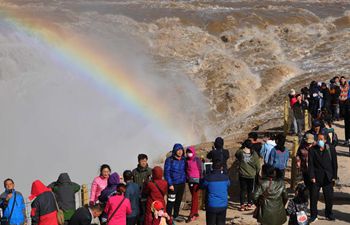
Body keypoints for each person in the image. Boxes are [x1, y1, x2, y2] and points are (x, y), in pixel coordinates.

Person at [308, 133, 338, 222]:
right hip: (316, 178)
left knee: (329, 197)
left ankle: (329, 214)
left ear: (325, 140)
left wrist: (334, 176)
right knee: (313, 197)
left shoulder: (331, 149)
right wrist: (312, 176)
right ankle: (313, 215)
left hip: (327, 177)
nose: (319, 141)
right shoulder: (312, 150)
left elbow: (334, 164)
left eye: (321, 139)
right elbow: (310, 165)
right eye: (318, 139)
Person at [201, 161, 230, 225]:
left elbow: (202, 186)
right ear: (221, 168)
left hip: (211, 205)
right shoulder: (226, 177)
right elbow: (228, 185)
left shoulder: (208, 178)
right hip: (223, 205)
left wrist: (204, 176)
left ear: (212, 167)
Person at [235, 140, 260, 211]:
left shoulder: (240, 152)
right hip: (251, 175)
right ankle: (249, 204)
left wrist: (242, 148)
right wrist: (257, 173)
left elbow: (236, 154)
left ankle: (242, 205)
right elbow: (257, 166)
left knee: (242, 190)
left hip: (242, 175)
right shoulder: (254, 153)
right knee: (250, 190)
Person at [164, 143, 186, 222]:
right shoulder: (170, 160)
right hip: (173, 184)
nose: (180, 152)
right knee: (171, 201)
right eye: (178, 150)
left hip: (182, 183)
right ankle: (168, 216)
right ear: (175, 151)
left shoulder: (184, 159)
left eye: (181, 150)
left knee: (178, 200)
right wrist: (170, 184)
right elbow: (167, 172)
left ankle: (176, 215)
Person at [132, 154, 152, 225]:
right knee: (138, 212)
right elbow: (132, 184)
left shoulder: (150, 171)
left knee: (146, 212)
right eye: (142, 161)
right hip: (137, 196)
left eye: (145, 161)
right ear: (138, 161)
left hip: (147, 196)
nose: (144, 162)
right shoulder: (134, 172)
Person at [185, 146, 203, 222]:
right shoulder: (186, 160)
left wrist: (201, 179)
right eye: (188, 152)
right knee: (194, 196)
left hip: (197, 181)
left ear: (193, 152)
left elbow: (201, 169)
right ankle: (196, 213)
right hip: (190, 181)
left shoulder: (197, 160)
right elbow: (186, 170)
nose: (189, 153)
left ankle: (192, 214)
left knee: (194, 197)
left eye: (190, 152)